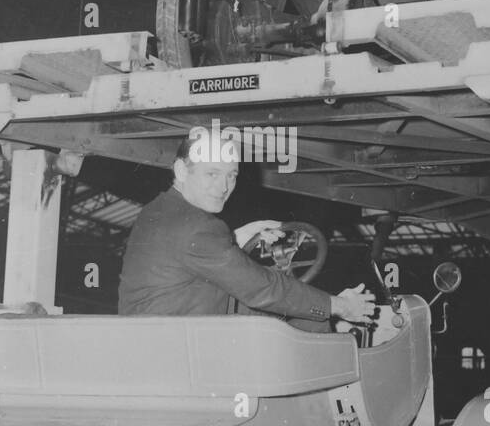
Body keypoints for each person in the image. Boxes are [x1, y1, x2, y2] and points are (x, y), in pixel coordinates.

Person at [118, 133, 375, 327]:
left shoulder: (160, 209)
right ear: (182, 170)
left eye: (232, 175)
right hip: (178, 351)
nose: (223, 187)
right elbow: (262, 289)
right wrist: (339, 306)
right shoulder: (198, 228)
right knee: (311, 323)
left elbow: (188, 258)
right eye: (212, 174)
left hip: (153, 336)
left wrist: (237, 237)